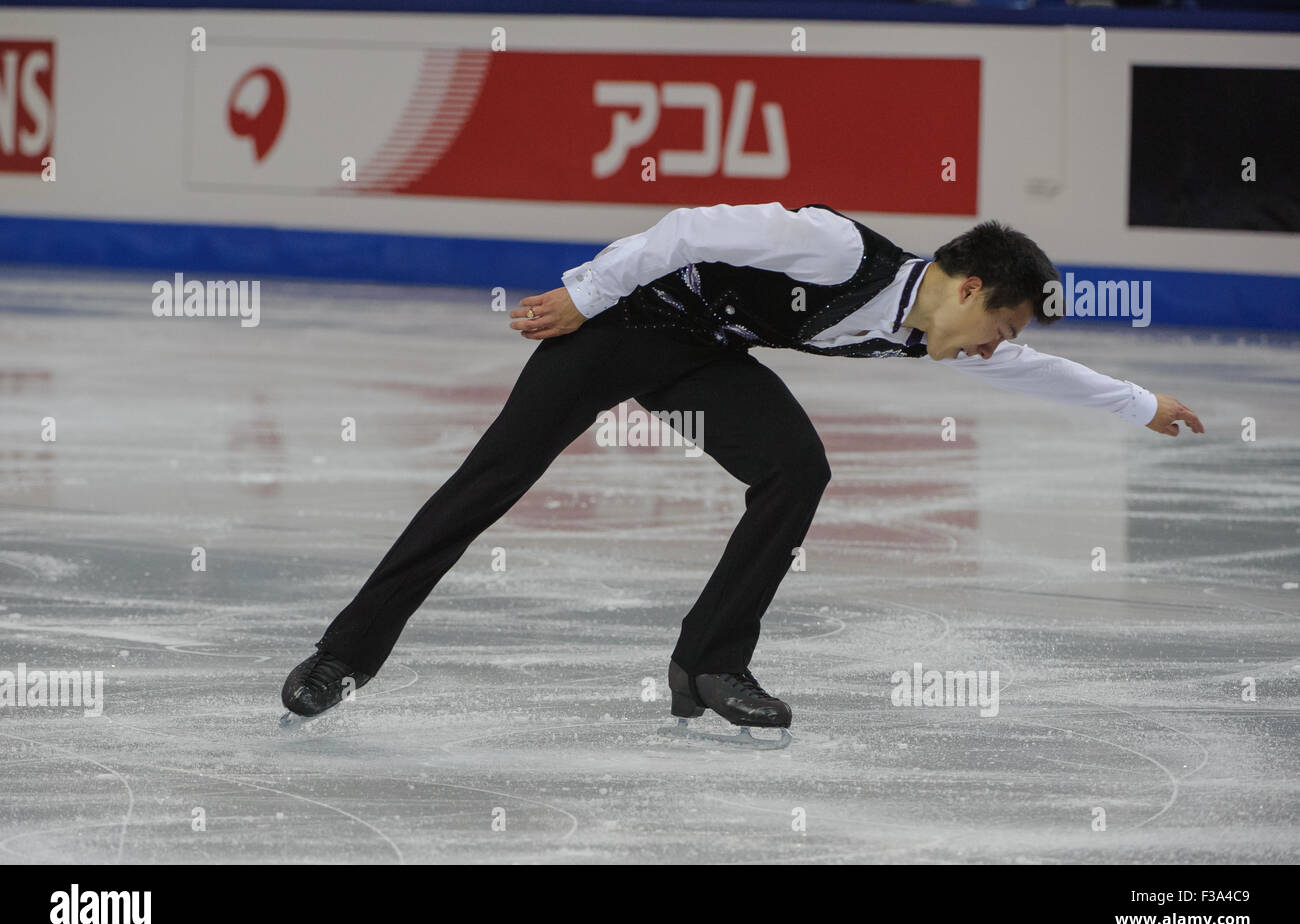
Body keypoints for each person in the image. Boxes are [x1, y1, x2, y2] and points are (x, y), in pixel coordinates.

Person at [281, 201, 1204, 735]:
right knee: (490, 483)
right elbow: (687, 229)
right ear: (968, 288)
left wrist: (1141, 404)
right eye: (999, 326)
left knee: (796, 469)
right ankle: (342, 657)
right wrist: (585, 293)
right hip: (620, 328)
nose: (994, 347)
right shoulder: (839, 250)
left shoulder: (922, 327)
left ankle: (708, 666)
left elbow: (1036, 370)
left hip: (703, 358)